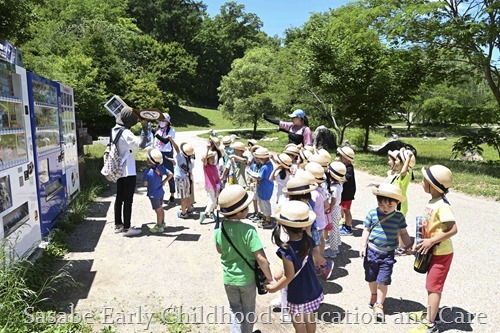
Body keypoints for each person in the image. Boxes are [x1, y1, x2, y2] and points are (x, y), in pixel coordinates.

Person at [214, 185, 273, 333]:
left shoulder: (219, 229)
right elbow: (261, 258)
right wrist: (270, 278)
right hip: (247, 280)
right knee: (248, 310)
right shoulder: (249, 231)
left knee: (235, 310)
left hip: (229, 279)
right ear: (240, 212)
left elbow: (219, 250)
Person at [409, 165, 457, 333]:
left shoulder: (442, 206)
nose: (422, 183)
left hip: (441, 253)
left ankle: (430, 324)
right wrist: (420, 240)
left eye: (425, 181)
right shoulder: (433, 202)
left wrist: (431, 242)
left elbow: (452, 229)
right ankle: (430, 312)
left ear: (433, 186)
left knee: (434, 287)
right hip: (432, 251)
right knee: (430, 284)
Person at [266, 200, 324, 333]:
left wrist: (274, 288)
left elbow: (289, 275)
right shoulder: (308, 240)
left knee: (298, 324)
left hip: (297, 293)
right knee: (310, 318)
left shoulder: (286, 250)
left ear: (285, 226)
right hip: (312, 288)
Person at [359, 183, 412, 322]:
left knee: (383, 279)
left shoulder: (399, 217)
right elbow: (366, 230)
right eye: (382, 206)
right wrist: (363, 246)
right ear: (378, 202)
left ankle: (379, 304)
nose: (385, 209)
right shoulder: (372, 213)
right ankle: (373, 294)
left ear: (397, 203)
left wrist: (409, 245)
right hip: (372, 251)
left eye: (390, 206)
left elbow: (404, 233)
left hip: (388, 254)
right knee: (371, 277)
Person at [112, 107, 148, 237]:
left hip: (118, 168)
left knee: (119, 197)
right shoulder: (126, 133)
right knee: (128, 199)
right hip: (128, 169)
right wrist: (145, 128)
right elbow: (142, 144)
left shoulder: (114, 130)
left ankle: (118, 225)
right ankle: (127, 228)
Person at [385, 148, 416, 255]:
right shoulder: (398, 174)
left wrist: (408, 157)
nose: (395, 161)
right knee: (397, 227)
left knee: (400, 228)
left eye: (398, 160)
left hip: (400, 205)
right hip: (396, 204)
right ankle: (400, 244)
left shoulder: (406, 174)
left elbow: (404, 170)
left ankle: (402, 247)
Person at [143, 148, 173, 233]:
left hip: (153, 194)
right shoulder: (161, 168)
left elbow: (145, 184)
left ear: (149, 160)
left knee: (158, 210)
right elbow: (170, 174)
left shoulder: (147, 172)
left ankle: (159, 226)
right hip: (160, 192)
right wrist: (164, 181)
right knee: (161, 208)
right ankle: (162, 223)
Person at [151, 113, 176, 204]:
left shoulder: (171, 131)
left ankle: (172, 194)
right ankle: (159, 193)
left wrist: (156, 134)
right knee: (158, 174)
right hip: (157, 153)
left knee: (170, 174)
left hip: (167, 153)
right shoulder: (157, 129)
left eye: (164, 120)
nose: (162, 122)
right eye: (161, 120)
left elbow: (165, 141)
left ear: (167, 122)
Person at [168, 137, 195, 218]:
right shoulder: (191, 161)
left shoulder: (180, 157)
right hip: (186, 179)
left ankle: (183, 213)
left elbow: (176, 148)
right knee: (187, 195)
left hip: (180, 179)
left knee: (182, 197)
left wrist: (171, 140)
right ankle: (189, 209)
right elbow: (190, 171)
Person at [324, 161, 346, 258]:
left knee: (332, 230)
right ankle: (337, 245)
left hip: (334, 209)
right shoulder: (339, 184)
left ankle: (333, 250)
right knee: (336, 228)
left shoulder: (334, 188)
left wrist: (328, 210)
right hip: (338, 208)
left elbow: (333, 201)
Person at [337, 146, 356, 236]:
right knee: (343, 210)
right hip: (344, 193)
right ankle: (345, 225)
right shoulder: (345, 166)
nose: (339, 157)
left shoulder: (349, 168)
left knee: (346, 210)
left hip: (347, 194)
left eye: (341, 156)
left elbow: (346, 178)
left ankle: (348, 228)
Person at [253, 147, 274, 229]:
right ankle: (265, 218)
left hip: (265, 187)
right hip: (266, 187)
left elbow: (259, 177)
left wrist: (252, 175)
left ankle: (268, 220)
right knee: (263, 202)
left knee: (265, 204)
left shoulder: (264, 167)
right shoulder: (269, 164)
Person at [200, 150, 221, 224]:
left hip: (216, 185)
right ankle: (205, 213)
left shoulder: (214, 166)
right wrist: (207, 149)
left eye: (213, 158)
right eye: (211, 158)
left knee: (214, 201)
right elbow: (204, 160)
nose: (213, 160)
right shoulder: (206, 167)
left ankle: (211, 212)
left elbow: (216, 176)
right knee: (212, 201)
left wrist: (219, 183)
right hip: (210, 186)